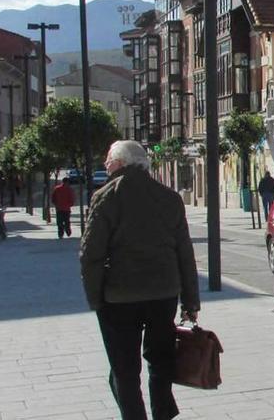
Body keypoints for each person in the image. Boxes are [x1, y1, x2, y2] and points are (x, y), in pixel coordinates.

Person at [80, 140, 200, 420]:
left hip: (119, 298)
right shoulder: (169, 197)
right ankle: (162, 414)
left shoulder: (107, 196)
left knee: (124, 371)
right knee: (160, 362)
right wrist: (190, 300)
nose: (106, 166)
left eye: (109, 161)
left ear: (121, 164)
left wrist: (95, 298)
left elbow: (90, 254)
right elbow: (185, 252)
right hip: (163, 294)